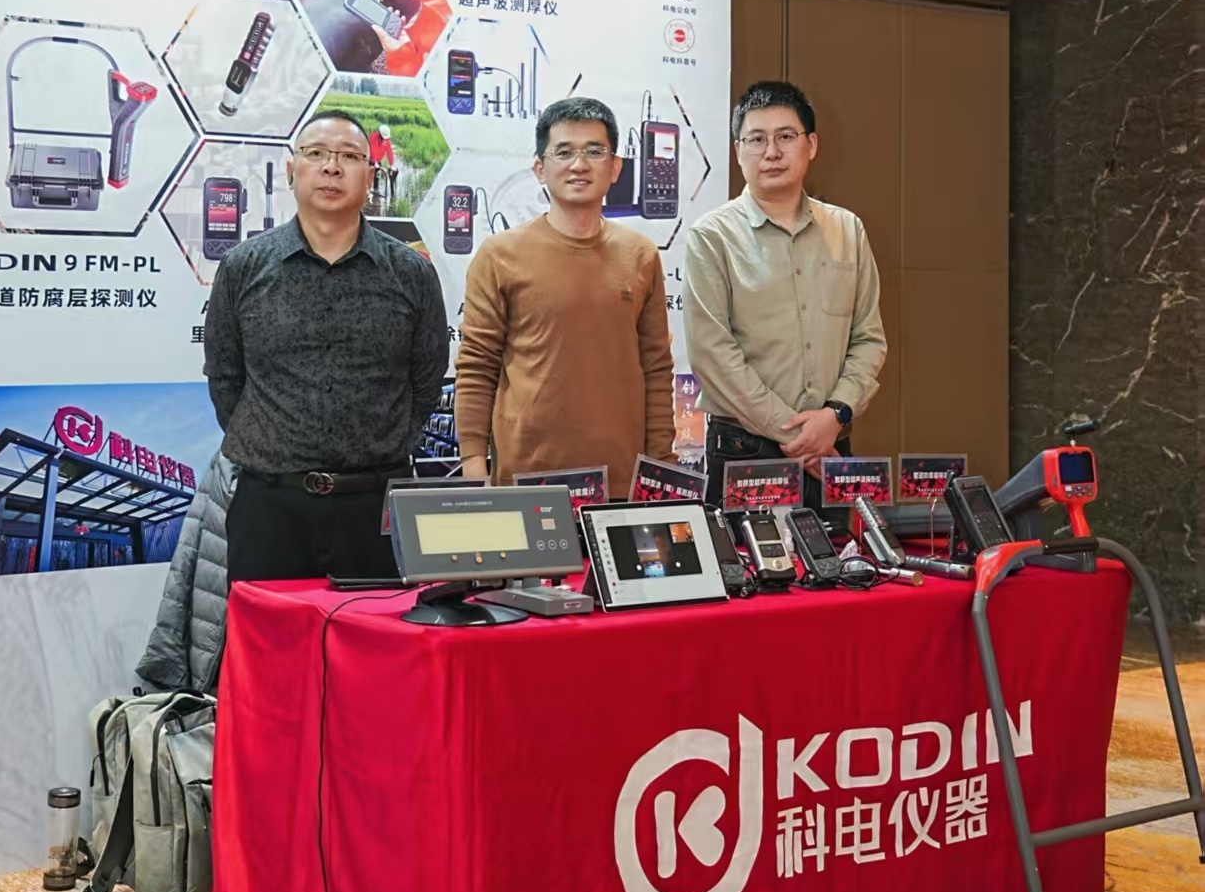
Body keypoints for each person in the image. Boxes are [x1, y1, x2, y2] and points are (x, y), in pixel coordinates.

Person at [203, 110, 449, 581]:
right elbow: (225, 377)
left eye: (349, 157)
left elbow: (426, 380)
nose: (332, 167)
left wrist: (383, 445)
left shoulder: (411, 273)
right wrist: (275, 446)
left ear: (370, 176)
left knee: (377, 630)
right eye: (316, 153)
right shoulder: (243, 267)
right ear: (291, 169)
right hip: (270, 507)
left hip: (377, 508)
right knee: (267, 629)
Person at [455, 97, 675, 496]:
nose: (579, 164)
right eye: (563, 152)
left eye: (594, 151)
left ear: (616, 167)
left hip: (620, 482)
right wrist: (473, 461)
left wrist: (661, 464)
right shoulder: (499, 254)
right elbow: (477, 366)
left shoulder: (641, 255)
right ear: (540, 168)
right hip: (526, 479)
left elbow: (656, 367)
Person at [684, 80, 887, 507]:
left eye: (786, 136)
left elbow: (869, 339)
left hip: (831, 442)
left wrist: (836, 414)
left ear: (811, 145)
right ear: (738, 150)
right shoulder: (712, 237)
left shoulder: (848, 230)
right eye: (756, 139)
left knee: (838, 552)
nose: (772, 152)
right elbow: (712, 354)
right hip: (745, 450)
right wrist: (800, 437)